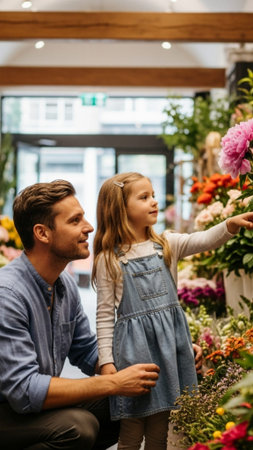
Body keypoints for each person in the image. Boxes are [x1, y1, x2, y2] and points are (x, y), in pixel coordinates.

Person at [92, 172, 253, 450]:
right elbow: (105, 316)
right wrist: (107, 363)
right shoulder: (110, 259)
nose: (154, 201)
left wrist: (230, 224)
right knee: (131, 428)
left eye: (153, 195)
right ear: (121, 208)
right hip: (133, 355)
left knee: (160, 426)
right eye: (144, 197)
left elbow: (202, 240)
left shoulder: (166, 245)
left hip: (167, 350)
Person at [0, 179, 161, 450]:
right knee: (78, 427)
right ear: (42, 233)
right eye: (75, 221)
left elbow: (88, 351)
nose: (88, 227)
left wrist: (161, 356)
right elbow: (23, 390)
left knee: (126, 404)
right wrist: (113, 383)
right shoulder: (8, 294)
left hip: (30, 409)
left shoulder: (64, 285)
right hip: (8, 410)